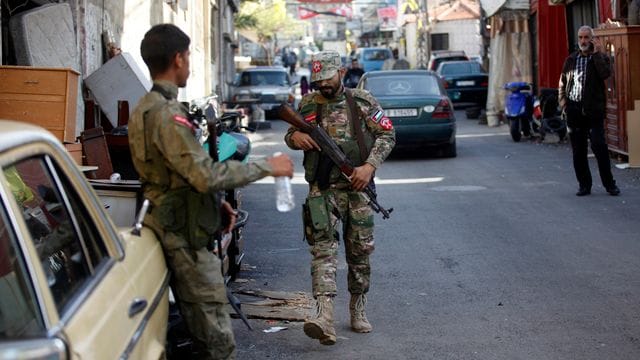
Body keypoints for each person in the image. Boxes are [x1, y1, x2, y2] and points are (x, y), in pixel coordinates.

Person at [128, 24, 294, 360]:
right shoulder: (166, 114)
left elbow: (173, 175)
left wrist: (213, 206)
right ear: (177, 59)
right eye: (188, 57)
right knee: (217, 343)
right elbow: (204, 174)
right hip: (184, 239)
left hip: (175, 225)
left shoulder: (145, 107)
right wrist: (268, 166)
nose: (189, 64)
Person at [284, 50, 395, 345]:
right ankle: (324, 317)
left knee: (359, 254)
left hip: (357, 190)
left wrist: (368, 167)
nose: (323, 85)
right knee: (323, 251)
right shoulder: (308, 104)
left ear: (342, 73)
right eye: (318, 80)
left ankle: (358, 309)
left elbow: (387, 135)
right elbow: (290, 132)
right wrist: (295, 138)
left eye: (328, 78)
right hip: (322, 191)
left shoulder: (362, 101)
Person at [558, 25, 620, 197]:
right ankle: (584, 185)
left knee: (600, 147)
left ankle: (610, 185)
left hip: (593, 111)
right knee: (578, 151)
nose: (583, 41)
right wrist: (564, 104)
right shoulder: (571, 59)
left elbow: (605, 74)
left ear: (592, 39)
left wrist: (597, 54)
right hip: (574, 110)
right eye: (581, 38)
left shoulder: (599, 58)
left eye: (587, 37)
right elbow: (562, 83)